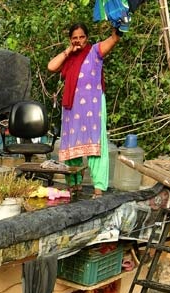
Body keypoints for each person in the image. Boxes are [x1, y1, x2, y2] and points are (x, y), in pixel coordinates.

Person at [47, 23, 121, 197]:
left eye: (81, 37)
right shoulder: (69, 57)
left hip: (93, 107)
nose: (78, 40)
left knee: (96, 146)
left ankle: (98, 188)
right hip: (72, 108)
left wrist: (118, 29)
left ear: (87, 38)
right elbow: (51, 66)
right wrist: (68, 51)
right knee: (72, 145)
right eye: (74, 38)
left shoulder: (95, 51)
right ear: (70, 40)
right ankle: (74, 185)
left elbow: (113, 39)